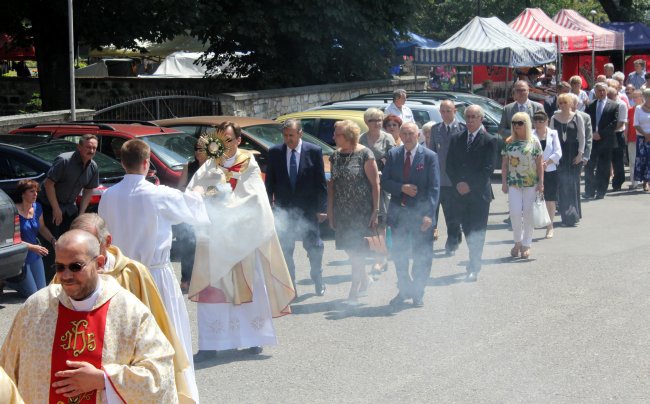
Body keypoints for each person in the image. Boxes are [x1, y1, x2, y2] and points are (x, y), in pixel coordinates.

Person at [0, 229, 178, 403]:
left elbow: (160, 376)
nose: (66, 275)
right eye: (60, 267)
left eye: (76, 266)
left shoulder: (130, 313)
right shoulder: (35, 308)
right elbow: (6, 371)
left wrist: (103, 379)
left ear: (99, 263)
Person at [98, 139, 209, 399]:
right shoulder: (158, 194)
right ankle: (172, 393)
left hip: (119, 278)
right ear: (147, 164)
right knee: (166, 335)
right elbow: (194, 211)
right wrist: (200, 193)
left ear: (122, 162)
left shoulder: (108, 195)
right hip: (153, 276)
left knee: (125, 340)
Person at [187, 121, 295, 361]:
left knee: (250, 287)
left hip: (243, 239)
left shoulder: (249, 163)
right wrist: (202, 197)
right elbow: (193, 192)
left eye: (229, 138)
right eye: (220, 138)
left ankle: (253, 339)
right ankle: (210, 344)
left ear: (238, 140)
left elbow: (255, 198)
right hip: (216, 238)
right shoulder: (209, 164)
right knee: (213, 290)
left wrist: (223, 203)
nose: (224, 143)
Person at [68, 213, 196, 403]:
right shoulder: (66, 275)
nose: (83, 251)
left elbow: (155, 332)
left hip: (125, 374)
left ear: (107, 241)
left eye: (91, 244)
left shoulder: (133, 273)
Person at [265, 119, 328, 296]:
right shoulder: (275, 152)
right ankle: (291, 287)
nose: (288, 139)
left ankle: (317, 278)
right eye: (285, 136)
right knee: (285, 250)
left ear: (300, 133)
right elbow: (269, 182)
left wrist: (322, 208)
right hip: (284, 211)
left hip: (308, 209)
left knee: (314, 247)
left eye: (291, 135)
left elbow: (321, 183)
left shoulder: (313, 151)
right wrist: (268, 207)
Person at [381, 122, 439, 307]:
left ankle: (418, 292)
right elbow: (385, 182)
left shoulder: (429, 157)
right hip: (399, 215)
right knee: (400, 256)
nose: (407, 136)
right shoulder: (393, 154)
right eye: (404, 133)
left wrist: (429, 215)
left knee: (422, 256)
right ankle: (404, 290)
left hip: (421, 216)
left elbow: (434, 189)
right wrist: (401, 188)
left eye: (411, 133)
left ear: (418, 135)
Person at [328, 120, 380, 305]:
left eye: (337, 134)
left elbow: (375, 185)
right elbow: (332, 186)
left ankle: (353, 293)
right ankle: (365, 279)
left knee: (357, 254)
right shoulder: (334, 156)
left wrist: (375, 211)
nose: (333, 136)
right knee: (350, 250)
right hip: (342, 213)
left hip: (361, 213)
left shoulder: (365, 154)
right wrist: (330, 212)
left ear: (348, 136)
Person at [447, 105, 498, 282]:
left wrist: (470, 185)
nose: (469, 120)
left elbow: (488, 169)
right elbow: (449, 165)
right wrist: (458, 184)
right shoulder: (456, 139)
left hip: (478, 194)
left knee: (477, 230)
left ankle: (474, 265)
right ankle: (473, 258)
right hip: (460, 193)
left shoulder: (489, 140)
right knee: (467, 228)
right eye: (467, 117)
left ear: (480, 119)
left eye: (474, 117)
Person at [41, 134, 99, 278]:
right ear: (79, 147)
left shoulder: (93, 166)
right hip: (50, 206)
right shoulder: (64, 160)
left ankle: (68, 276)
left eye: (94, 148)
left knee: (70, 245)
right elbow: (48, 184)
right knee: (53, 246)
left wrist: (81, 213)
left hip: (69, 208)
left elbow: (89, 189)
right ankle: (50, 280)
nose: (91, 150)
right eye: (88, 147)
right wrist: (56, 208)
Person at [501, 113, 543, 258]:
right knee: (515, 213)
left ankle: (526, 243)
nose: (516, 126)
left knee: (528, 214)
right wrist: (504, 182)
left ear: (526, 124)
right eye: (514, 123)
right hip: (514, 183)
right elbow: (504, 164)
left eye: (520, 123)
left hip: (531, 182)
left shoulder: (534, 141)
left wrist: (541, 183)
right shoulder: (509, 141)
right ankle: (517, 241)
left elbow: (539, 164)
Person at [359, 108, 395, 273]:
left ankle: (381, 259)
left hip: (383, 186)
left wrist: (382, 167)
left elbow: (394, 161)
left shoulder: (387, 138)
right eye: (374, 120)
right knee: (371, 223)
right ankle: (380, 256)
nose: (378, 123)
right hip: (366, 187)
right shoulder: (361, 139)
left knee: (381, 223)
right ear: (367, 122)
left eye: (380, 120)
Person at [5, 180, 56, 298]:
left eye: (36, 191)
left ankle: (15, 281)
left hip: (34, 254)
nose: (35, 194)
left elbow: (42, 228)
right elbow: (10, 238)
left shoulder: (37, 207)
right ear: (23, 194)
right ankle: (11, 282)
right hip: (20, 256)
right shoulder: (13, 212)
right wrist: (33, 247)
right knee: (33, 294)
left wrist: (53, 240)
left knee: (42, 291)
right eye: (31, 191)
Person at [428, 100, 466, 255]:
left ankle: (451, 242)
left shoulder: (462, 129)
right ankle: (454, 235)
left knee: (452, 214)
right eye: (442, 111)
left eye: (448, 111)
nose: (445, 114)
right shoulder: (435, 129)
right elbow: (431, 154)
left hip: (455, 180)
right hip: (439, 179)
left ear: (455, 111)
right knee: (436, 213)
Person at [176, 138, 209, 293]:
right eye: (196, 149)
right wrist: (192, 192)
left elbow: (220, 188)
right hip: (189, 211)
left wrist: (205, 193)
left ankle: (203, 279)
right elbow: (180, 187)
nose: (197, 152)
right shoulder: (189, 166)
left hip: (208, 212)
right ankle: (186, 279)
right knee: (187, 245)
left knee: (204, 246)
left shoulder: (214, 168)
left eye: (201, 149)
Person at [551, 93, 586, 226]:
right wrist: (554, 156)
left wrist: (580, 154)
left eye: (565, 102)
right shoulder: (554, 118)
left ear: (571, 104)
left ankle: (574, 214)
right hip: (560, 155)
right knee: (563, 185)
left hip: (574, 154)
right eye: (561, 103)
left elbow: (582, 137)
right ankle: (566, 215)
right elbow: (552, 139)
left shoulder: (577, 117)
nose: (563, 105)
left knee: (573, 184)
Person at [584, 83, 623, 199]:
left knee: (604, 167)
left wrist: (600, 134)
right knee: (589, 166)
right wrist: (592, 134)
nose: (601, 93)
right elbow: (586, 121)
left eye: (603, 90)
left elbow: (614, 123)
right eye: (598, 91)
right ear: (595, 92)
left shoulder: (614, 105)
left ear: (606, 91)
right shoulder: (590, 105)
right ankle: (589, 191)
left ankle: (601, 190)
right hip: (592, 140)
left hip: (606, 140)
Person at [532, 111, 562, 239]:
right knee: (532, 197)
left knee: (550, 198)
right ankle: (532, 225)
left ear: (547, 122)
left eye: (541, 121)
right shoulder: (531, 134)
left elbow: (558, 152)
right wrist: (537, 164)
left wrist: (546, 162)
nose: (538, 124)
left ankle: (550, 226)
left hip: (550, 170)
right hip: (533, 170)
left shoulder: (553, 133)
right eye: (536, 121)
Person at [607, 86, 629, 191]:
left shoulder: (622, 105)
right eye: (608, 96)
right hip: (606, 135)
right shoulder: (605, 104)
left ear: (616, 95)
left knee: (618, 160)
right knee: (605, 159)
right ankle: (603, 182)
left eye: (611, 96)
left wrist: (608, 130)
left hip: (617, 135)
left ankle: (618, 182)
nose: (609, 98)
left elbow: (621, 122)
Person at [634, 88, 650, 192]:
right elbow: (636, 124)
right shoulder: (638, 108)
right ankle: (645, 182)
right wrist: (645, 134)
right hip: (642, 138)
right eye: (648, 98)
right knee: (643, 159)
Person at [628, 90, 644, 189]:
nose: (634, 99)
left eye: (636, 97)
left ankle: (644, 181)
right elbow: (628, 125)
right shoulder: (630, 110)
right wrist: (626, 138)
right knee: (632, 161)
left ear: (642, 97)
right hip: (632, 138)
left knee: (644, 160)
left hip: (644, 138)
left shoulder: (646, 109)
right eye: (633, 97)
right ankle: (634, 181)